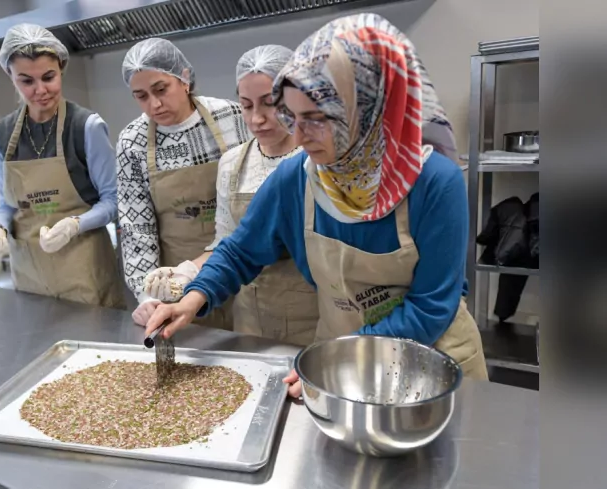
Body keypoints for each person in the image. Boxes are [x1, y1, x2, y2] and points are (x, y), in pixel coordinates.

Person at [146, 13, 489, 394]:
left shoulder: (435, 182)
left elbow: (431, 307)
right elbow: (240, 250)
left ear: (370, 107)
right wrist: (193, 298)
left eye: (316, 118)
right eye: (292, 116)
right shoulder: (298, 177)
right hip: (339, 362)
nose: (299, 134)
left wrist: (339, 361)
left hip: (432, 362)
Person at [141, 45, 320, 345]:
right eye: (247, 105)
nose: (256, 119)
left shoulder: (314, 161)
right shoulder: (233, 164)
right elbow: (230, 245)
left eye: (270, 104)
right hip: (251, 317)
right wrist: (187, 273)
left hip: (312, 317)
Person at [0, 24, 125, 309]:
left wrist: (74, 225)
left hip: (84, 272)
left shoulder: (85, 127)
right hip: (30, 276)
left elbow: (114, 200)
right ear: (11, 77)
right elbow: (8, 205)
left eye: (48, 77)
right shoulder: (1, 134)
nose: (40, 90)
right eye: (26, 81)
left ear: (62, 69)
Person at [116, 38, 250, 328]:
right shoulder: (132, 142)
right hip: (175, 288)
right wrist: (146, 295)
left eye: (161, 89)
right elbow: (136, 226)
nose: (154, 104)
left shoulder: (233, 117)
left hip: (244, 273)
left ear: (185, 78)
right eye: (141, 96)